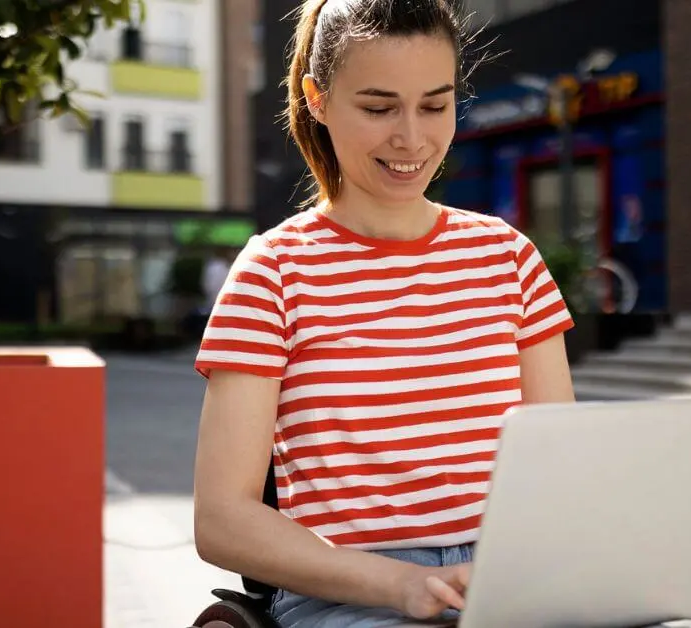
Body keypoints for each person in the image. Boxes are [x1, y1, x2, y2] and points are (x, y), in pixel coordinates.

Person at [192, 0, 577, 626]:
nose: (412, 137)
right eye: (378, 108)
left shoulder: (509, 258)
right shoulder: (274, 272)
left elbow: (564, 464)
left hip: (509, 578)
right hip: (346, 591)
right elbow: (222, 521)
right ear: (317, 100)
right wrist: (401, 585)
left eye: (435, 104)